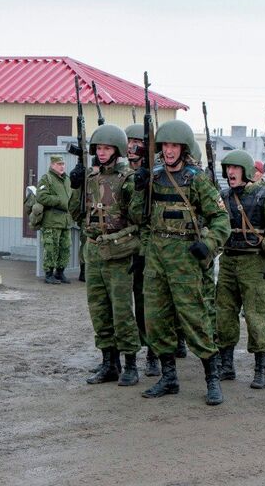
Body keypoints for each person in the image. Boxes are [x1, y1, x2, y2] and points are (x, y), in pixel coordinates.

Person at [133, 120, 231, 405]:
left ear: (184, 148)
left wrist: (209, 244)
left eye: (174, 146)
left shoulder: (197, 179)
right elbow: (139, 217)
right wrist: (139, 188)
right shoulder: (153, 177)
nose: (169, 151)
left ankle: (212, 379)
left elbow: (221, 219)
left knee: (195, 318)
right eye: (165, 146)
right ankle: (168, 377)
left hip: (186, 256)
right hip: (157, 256)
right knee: (156, 319)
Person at [70, 124, 143, 386]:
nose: (101, 153)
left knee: (122, 310)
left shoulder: (128, 179)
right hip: (93, 251)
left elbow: (138, 219)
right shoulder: (91, 178)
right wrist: (76, 186)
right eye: (98, 148)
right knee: (98, 309)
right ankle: (108, 363)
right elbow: (77, 214)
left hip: (119, 252)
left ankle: (131, 364)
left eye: (107, 148)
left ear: (118, 150)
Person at [215, 150, 265, 389]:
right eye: (228, 169)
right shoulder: (224, 197)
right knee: (224, 315)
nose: (230, 173)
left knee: (256, 316)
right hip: (228, 262)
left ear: (247, 171)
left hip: (253, 263)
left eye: (235, 168)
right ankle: (226, 365)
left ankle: (260, 369)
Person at [124, 123, 160, 376]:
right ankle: (125, 356)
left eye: (136, 141)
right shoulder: (121, 173)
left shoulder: (156, 173)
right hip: (123, 245)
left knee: (149, 302)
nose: (130, 146)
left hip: (148, 246)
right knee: (123, 305)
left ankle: (153, 353)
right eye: (128, 141)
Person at [37, 156, 73, 284]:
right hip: (52, 220)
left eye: (63, 164)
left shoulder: (67, 180)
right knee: (51, 247)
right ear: (52, 165)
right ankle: (48, 274)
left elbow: (71, 197)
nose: (62, 166)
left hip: (65, 220)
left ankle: (60, 272)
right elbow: (41, 197)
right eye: (59, 164)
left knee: (65, 247)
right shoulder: (46, 179)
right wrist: (59, 200)